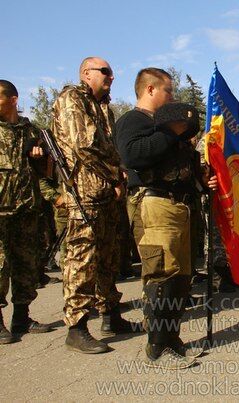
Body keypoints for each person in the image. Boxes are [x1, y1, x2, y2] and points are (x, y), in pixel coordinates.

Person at [116, 67, 215, 368]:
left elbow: (184, 164)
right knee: (162, 274)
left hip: (178, 206)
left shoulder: (168, 128)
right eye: (168, 90)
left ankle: (171, 339)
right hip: (154, 203)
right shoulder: (133, 121)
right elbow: (133, 155)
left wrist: (202, 179)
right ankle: (156, 347)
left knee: (180, 277)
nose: (173, 97)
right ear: (149, 90)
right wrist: (170, 132)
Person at [51, 57, 141, 354]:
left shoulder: (105, 108)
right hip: (84, 196)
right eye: (105, 71)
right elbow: (83, 144)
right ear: (85, 73)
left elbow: (112, 147)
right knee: (81, 262)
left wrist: (118, 176)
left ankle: (111, 316)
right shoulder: (72, 99)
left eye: (112, 72)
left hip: (107, 196)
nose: (111, 76)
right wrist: (116, 173)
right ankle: (76, 329)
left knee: (109, 257)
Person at [0, 80, 51, 344]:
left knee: (26, 264)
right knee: (0, 266)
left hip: (26, 208)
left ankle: (21, 317)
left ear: (13, 99)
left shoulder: (30, 130)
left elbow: (47, 172)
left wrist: (40, 156)